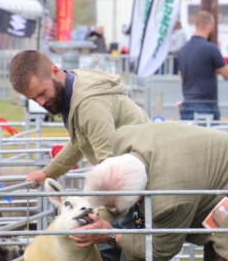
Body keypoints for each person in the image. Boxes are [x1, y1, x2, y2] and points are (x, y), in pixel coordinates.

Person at [69, 122, 228, 261]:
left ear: (138, 197)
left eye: (112, 207)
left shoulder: (168, 201)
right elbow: (115, 191)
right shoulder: (124, 139)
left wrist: (110, 236)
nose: (110, 210)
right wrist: (102, 216)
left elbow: (159, 251)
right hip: (216, 170)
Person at [8, 50, 150, 185]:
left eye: (41, 93)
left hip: (146, 176)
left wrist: (102, 210)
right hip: (137, 173)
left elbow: (109, 166)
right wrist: (47, 173)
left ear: (55, 72)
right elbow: (80, 141)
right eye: (33, 99)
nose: (41, 103)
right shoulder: (74, 84)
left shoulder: (89, 105)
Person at [177, 11, 228, 120]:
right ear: (208, 26)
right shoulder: (211, 49)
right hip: (206, 106)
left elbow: (181, 79)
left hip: (187, 104)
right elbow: (227, 75)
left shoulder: (182, 50)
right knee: (209, 137)